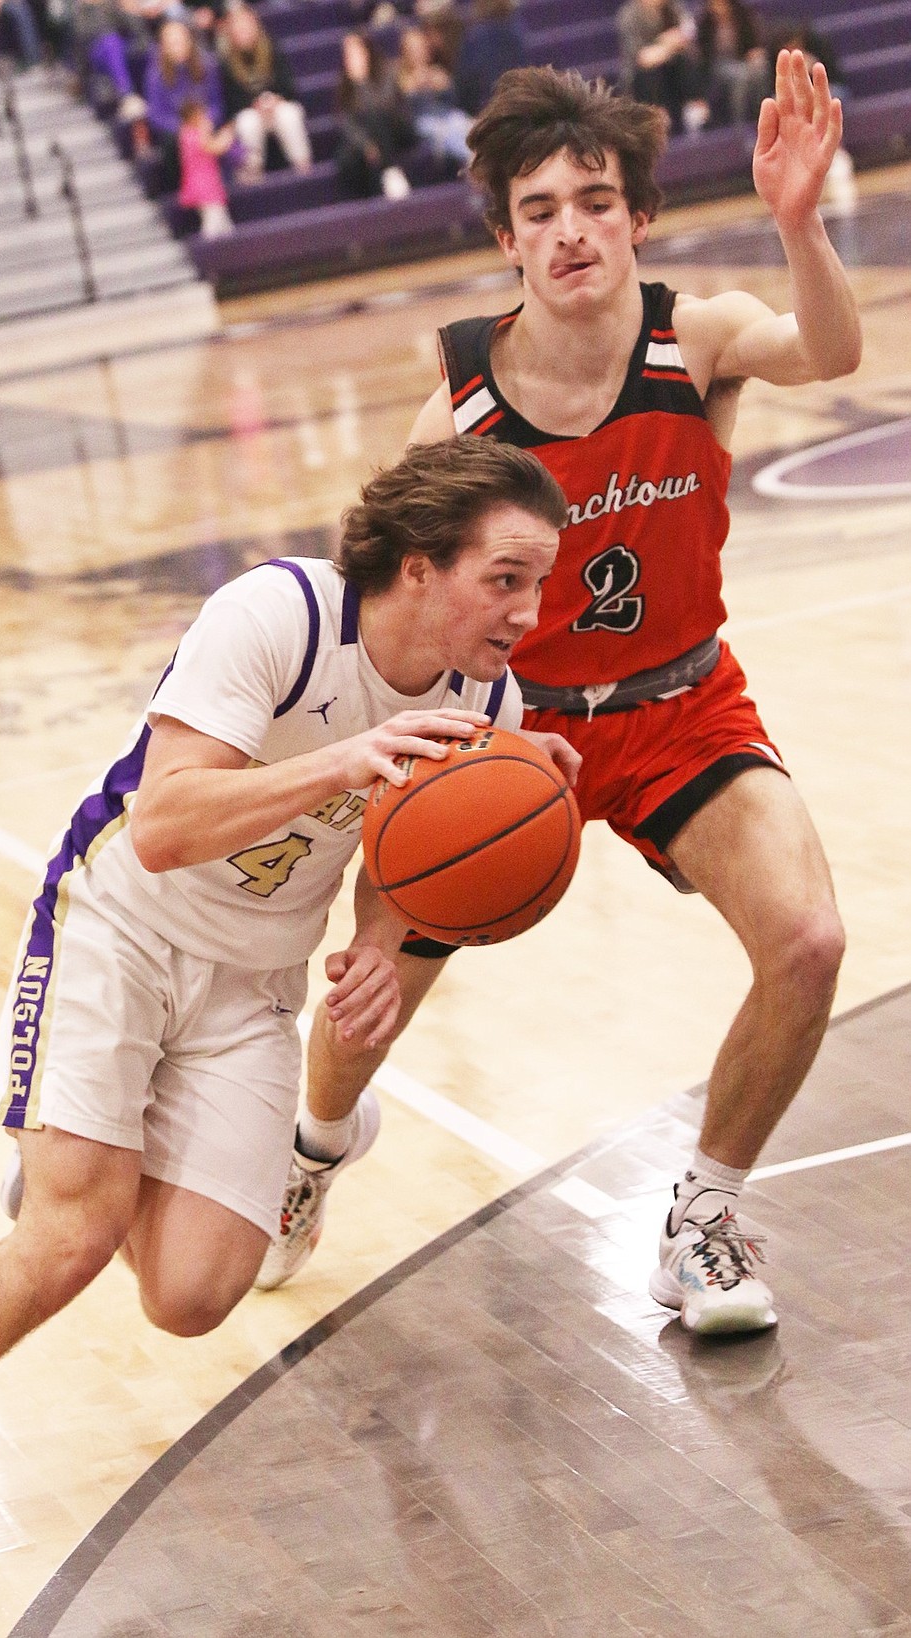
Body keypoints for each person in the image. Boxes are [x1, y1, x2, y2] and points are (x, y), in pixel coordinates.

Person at [0, 435, 578, 1589]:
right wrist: (348, 760)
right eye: (508, 577)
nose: (531, 610)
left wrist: (379, 948)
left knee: (191, 1298)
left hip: (255, 985)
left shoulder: (486, 692)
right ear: (421, 566)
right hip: (117, 932)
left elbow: (408, 840)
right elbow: (167, 823)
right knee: (68, 1237)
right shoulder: (278, 615)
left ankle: (97, 1159)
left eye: (542, 580)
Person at [263, 56, 860, 1341]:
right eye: (540, 210)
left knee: (808, 943)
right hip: (507, 730)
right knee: (363, 993)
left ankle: (701, 1217)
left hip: (684, 705)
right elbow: (376, 595)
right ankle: (310, 1155)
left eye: (596, 199)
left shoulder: (692, 340)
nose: (571, 229)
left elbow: (829, 347)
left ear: (637, 217)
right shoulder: (463, 414)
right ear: (506, 238)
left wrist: (800, 220)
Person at [219, 3, 311, 181]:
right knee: (247, 122)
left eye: (246, 26)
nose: (243, 31)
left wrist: (276, 99)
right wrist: (254, 106)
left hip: (277, 106)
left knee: (289, 114)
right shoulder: (227, 63)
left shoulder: (272, 48)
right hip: (251, 112)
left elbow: (289, 87)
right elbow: (231, 103)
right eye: (238, 28)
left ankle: (303, 166)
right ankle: (253, 173)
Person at [144, 17, 225, 191]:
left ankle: (220, 187)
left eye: (180, 42)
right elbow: (156, 116)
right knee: (177, 142)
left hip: (205, 125)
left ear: (190, 41)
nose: (177, 47)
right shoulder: (155, 76)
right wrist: (182, 128)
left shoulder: (207, 65)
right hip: (177, 131)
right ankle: (186, 190)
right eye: (172, 43)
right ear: (163, 47)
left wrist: (207, 121)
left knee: (217, 136)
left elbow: (217, 104)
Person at [334, 31, 416, 201]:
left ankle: (389, 170)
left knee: (376, 118)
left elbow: (386, 108)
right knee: (348, 156)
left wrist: (362, 83)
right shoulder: (346, 84)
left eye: (355, 52)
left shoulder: (387, 72)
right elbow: (347, 122)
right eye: (347, 53)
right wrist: (366, 145)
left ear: (367, 51)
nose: (350, 58)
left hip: (397, 127)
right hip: (370, 140)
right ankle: (380, 185)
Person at [616, 0, 704, 134]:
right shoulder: (629, 15)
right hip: (642, 76)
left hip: (673, 68)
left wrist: (665, 48)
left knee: (683, 61)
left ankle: (695, 107)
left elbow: (687, 33)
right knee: (650, 73)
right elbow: (643, 58)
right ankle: (658, 117)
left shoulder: (673, 7)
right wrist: (666, 44)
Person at [395, 23, 471, 169]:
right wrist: (413, 87)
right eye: (413, 48)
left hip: (448, 115)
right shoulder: (401, 78)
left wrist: (444, 85)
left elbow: (454, 101)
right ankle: (472, 158)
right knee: (445, 132)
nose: (418, 52)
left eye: (420, 47)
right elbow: (402, 112)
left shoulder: (438, 71)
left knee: (465, 124)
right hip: (422, 123)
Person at [695, 0, 770, 126]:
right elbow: (702, 54)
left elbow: (755, 42)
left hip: (742, 60)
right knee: (740, 76)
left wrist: (755, 52)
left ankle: (763, 117)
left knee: (760, 70)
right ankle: (738, 125)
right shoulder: (704, 22)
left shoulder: (742, 15)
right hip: (717, 64)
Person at [452, 0, 526, 118]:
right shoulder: (516, 33)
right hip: (515, 107)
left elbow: (465, 82)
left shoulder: (475, 38)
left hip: (485, 112)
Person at [176, 95, 233, 234]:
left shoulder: (186, 133)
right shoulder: (193, 133)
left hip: (205, 183)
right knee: (212, 224)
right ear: (194, 116)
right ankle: (207, 253)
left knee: (224, 224)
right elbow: (215, 147)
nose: (205, 117)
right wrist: (228, 134)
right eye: (202, 114)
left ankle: (232, 251)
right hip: (204, 186)